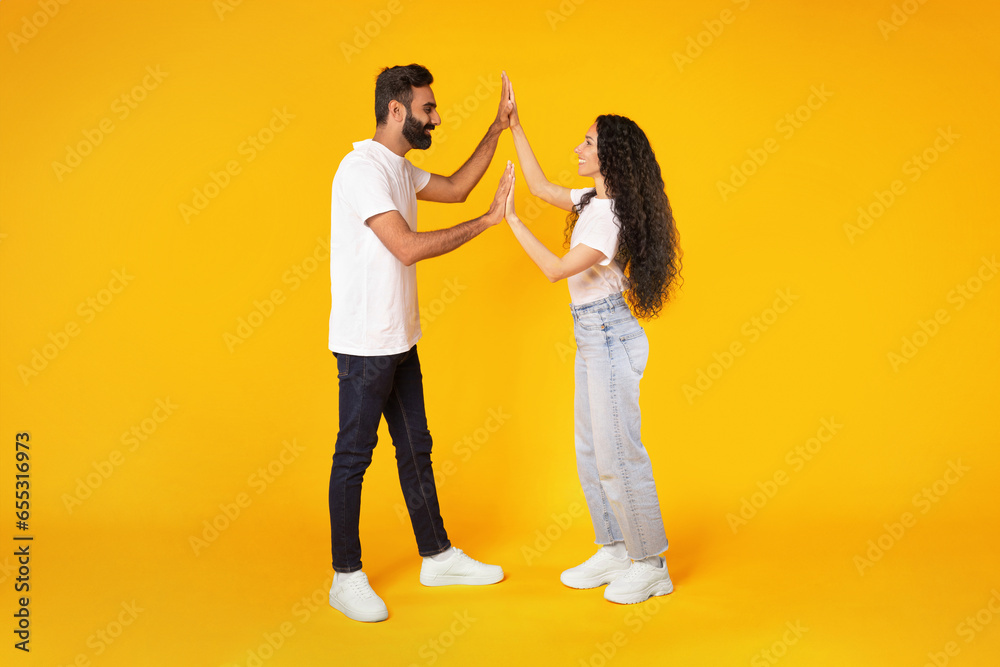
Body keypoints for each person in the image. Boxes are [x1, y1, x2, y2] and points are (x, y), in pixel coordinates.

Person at [327, 64, 515, 622]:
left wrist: (498, 127)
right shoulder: (362, 169)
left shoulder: (400, 169)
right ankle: (345, 577)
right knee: (353, 458)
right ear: (397, 111)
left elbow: (455, 188)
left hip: (400, 337)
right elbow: (405, 247)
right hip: (365, 345)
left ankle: (437, 557)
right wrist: (488, 223)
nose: (437, 116)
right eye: (428, 109)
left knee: (416, 448)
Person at [501, 78, 682, 605]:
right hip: (592, 336)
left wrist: (508, 220)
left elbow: (557, 270)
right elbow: (539, 186)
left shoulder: (610, 219)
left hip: (609, 335)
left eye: (586, 143)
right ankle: (615, 547)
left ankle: (650, 564)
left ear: (609, 157)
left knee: (619, 453)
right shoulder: (592, 201)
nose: (578, 149)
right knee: (590, 450)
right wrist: (515, 125)